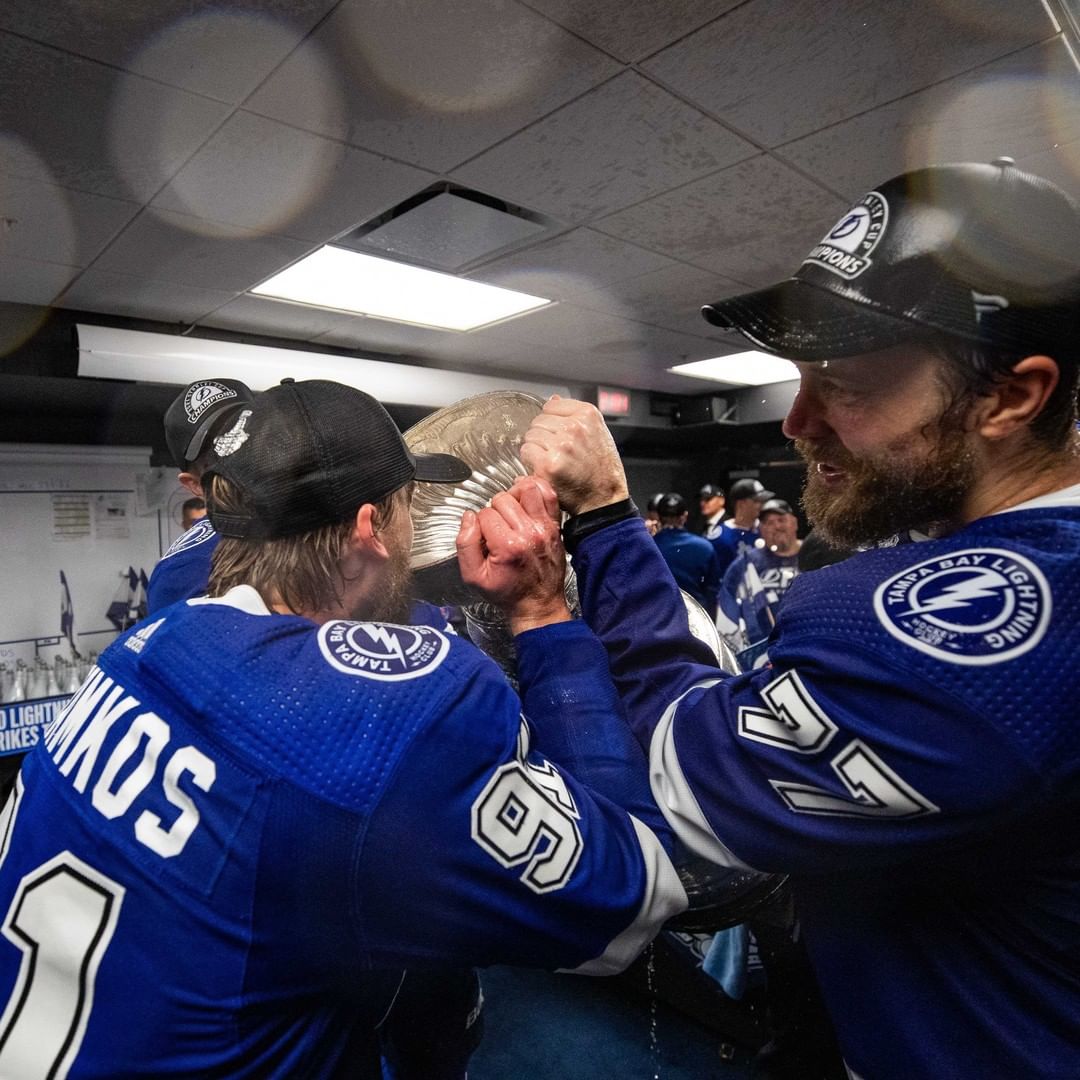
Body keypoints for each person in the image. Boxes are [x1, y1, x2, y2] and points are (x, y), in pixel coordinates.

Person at [517, 159, 1080, 1079]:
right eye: (800, 377)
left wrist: (590, 545)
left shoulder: (966, 631)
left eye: (847, 385)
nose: (797, 421)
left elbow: (659, 789)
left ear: (1009, 399)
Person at [0, 379, 687, 1078]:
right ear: (368, 530)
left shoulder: (136, 652)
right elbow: (635, 895)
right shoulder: (376, 721)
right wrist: (542, 614)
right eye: (407, 506)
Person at [146, 378, 255, 614]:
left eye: (249, 438)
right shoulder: (186, 571)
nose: (243, 460)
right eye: (219, 458)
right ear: (195, 485)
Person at [719, 499, 801, 649]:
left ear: (795, 523)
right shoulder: (745, 564)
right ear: (761, 530)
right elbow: (726, 601)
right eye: (769, 523)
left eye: (781, 520)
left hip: (807, 641)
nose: (777, 527)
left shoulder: (814, 555)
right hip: (762, 650)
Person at [652, 492, 722, 616]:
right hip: (695, 619)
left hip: (659, 618)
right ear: (685, 516)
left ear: (658, 516)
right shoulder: (704, 547)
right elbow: (712, 594)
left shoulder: (648, 547)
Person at [711, 478, 774, 575]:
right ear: (741, 504)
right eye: (757, 501)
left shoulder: (768, 529)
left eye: (763, 501)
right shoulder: (721, 537)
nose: (762, 505)